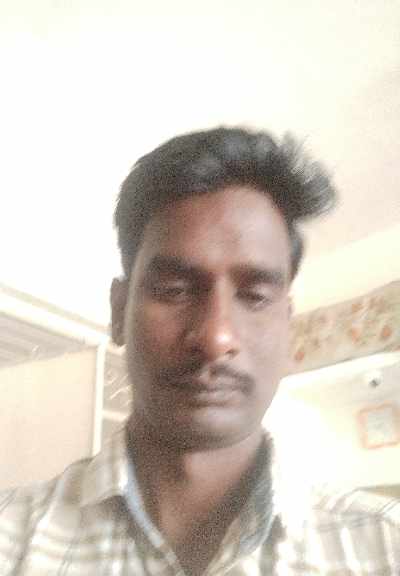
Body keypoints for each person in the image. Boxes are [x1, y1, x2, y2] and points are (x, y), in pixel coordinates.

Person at [1, 127, 399, 575]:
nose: (216, 337)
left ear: (287, 326)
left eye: (255, 297)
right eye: (174, 290)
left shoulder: (385, 546)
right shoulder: (10, 539)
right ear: (118, 311)